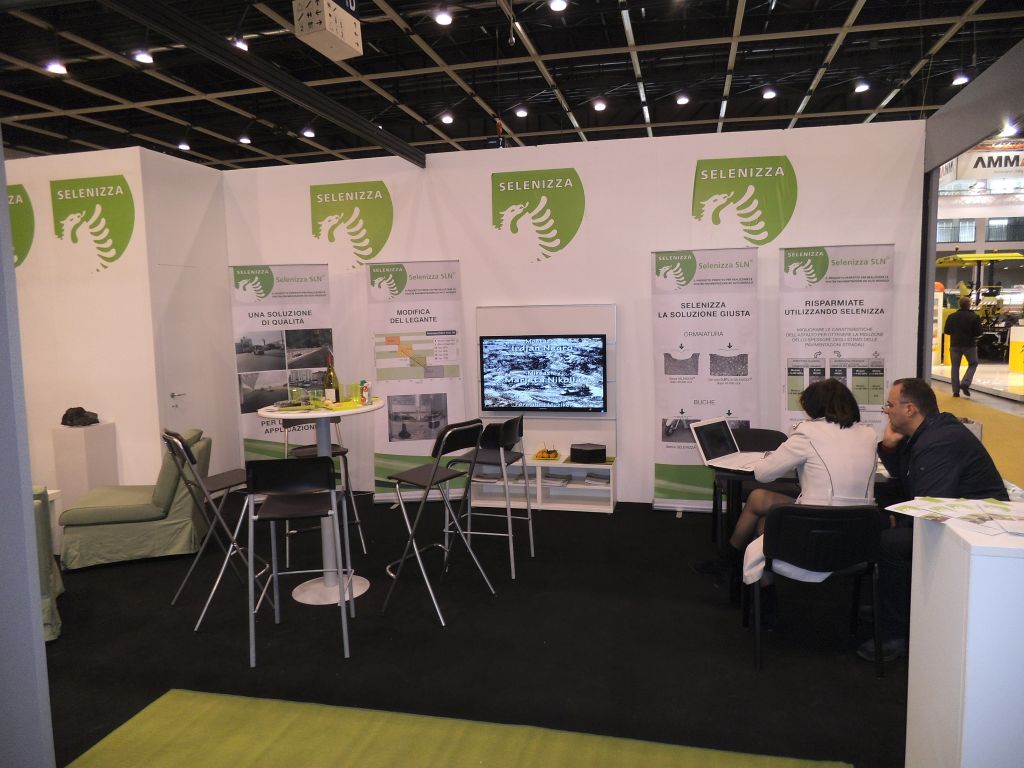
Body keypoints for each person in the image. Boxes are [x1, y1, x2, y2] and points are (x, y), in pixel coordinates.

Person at [693, 379, 878, 623]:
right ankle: (731, 566)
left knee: (765, 519)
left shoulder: (808, 433)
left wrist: (779, 454)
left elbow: (764, 474)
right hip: (857, 535)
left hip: (816, 528)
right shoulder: (868, 434)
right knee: (760, 500)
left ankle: (751, 583)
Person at [860, 378, 1007, 663]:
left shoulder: (938, 442)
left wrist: (899, 523)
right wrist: (889, 447)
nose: (886, 410)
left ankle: (896, 633)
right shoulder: (927, 434)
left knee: (891, 542)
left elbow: (930, 504)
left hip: (976, 528)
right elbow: (908, 479)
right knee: (888, 528)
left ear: (910, 409)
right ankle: (893, 607)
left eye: (890, 405)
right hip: (959, 517)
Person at [943, 297, 982, 397]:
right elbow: (978, 332)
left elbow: (946, 331)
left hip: (955, 345)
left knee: (955, 367)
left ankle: (955, 392)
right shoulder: (974, 317)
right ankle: (965, 382)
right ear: (969, 305)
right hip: (970, 345)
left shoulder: (952, 316)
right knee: (973, 363)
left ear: (959, 305)